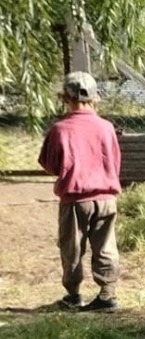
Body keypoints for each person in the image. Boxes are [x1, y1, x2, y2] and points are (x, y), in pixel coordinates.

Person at [38, 71, 122, 313]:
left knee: (72, 247)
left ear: (65, 97)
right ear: (96, 98)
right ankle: (107, 294)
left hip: (75, 199)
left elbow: (51, 165)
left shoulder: (60, 129)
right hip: (106, 197)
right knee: (106, 245)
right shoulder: (107, 127)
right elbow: (115, 162)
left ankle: (74, 295)